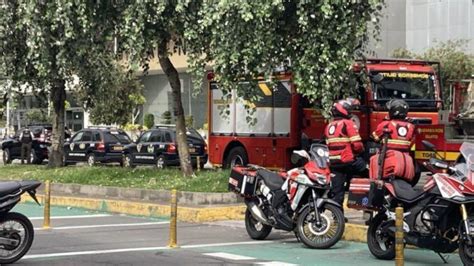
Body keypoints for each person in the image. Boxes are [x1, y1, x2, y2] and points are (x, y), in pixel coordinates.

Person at [325, 99, 368, 210]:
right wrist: (360, 152)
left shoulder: (329, 126)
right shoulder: (348, 123)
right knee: (370, 174)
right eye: (348, 110)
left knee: (338, 193)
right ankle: (368, 207)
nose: (350, 112)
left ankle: (338, 217)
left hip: (334, 163)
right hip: (348, 160)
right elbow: (357, 145)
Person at [371, 99, 416, 183]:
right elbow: (412, 143)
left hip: (388, 160)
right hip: (406, 161)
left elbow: (375, 137)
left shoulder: (386, 124)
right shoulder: (412, 126)